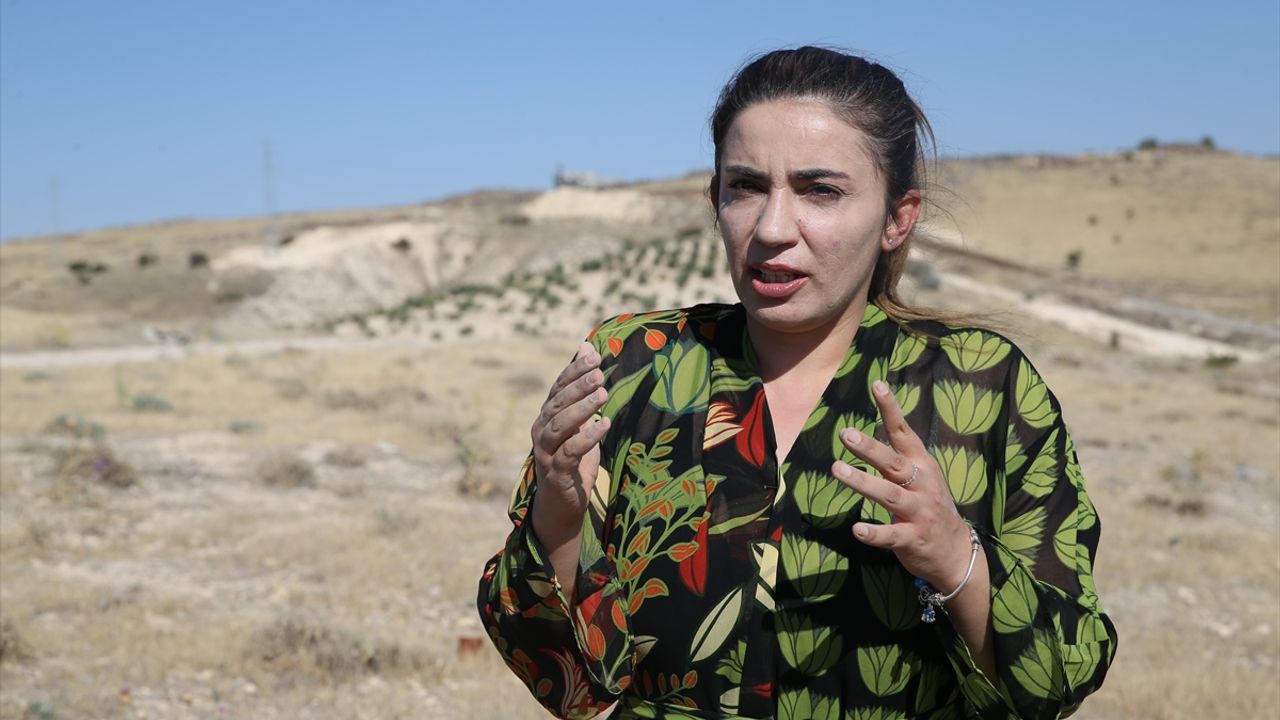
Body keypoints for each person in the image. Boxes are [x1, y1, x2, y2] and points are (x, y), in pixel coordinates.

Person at [477, 46, 1117, 720]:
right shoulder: (636, 366)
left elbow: (1058, 681)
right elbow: (570, 689)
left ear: (897, 218)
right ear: (716, 199)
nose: (772, 229)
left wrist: (956, 557)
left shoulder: (983, 387)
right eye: (746, 187)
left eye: (821, 191)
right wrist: (558, 517)